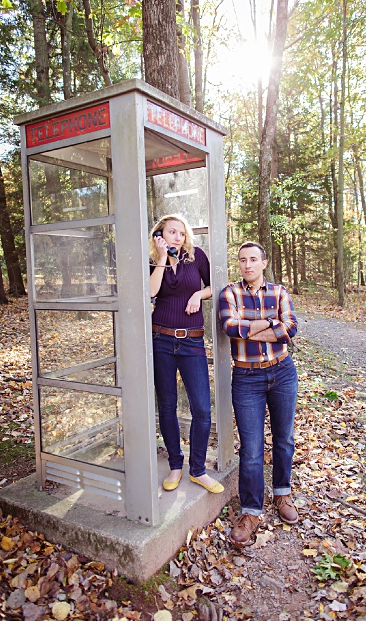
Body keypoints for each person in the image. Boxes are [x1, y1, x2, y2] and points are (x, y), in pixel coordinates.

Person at [218, 241, 300, 547]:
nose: (248, 265)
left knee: (284, 437)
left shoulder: (279, 292)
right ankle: (251, 511)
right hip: (246, 377)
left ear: (264, 263)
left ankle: (282, 493)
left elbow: (290, 328)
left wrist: (252, 327)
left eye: (253, 259)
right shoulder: (230, 292)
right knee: (251, 448)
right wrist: (270, 323)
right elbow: (230, 327)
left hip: (282, 372)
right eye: (242, 260)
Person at [148, 215, 223, 495]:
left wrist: (198, 295)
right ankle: (176, 465)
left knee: (202, 408)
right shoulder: (155, 259)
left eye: (181, 232)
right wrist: (160, 258)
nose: (177, 237)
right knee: (167, 406)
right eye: (171, 232)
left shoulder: (196, 256)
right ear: (160, 235)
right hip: (162, 341)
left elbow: (215, 285)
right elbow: (151, 292)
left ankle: (198, 470)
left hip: (192, 343)